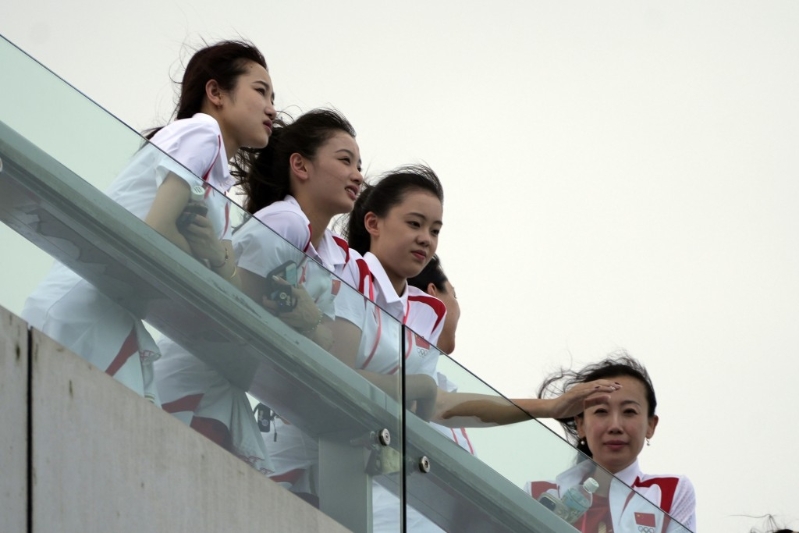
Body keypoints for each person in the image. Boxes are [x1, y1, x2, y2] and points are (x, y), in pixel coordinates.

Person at [22, 40, 276, 404]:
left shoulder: (214, 174)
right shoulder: (202, 133)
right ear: (216, 92)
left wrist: (210, 257)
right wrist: (205, 253)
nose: (272, 108)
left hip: (110, 311)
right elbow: (156, 230)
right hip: (86, 310)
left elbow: (210, 274)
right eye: (261, 91)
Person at [157, 109, 362, 478]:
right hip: (196, 379)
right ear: (301, 166)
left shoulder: (332, 254)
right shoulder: (286, 221)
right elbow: (235, 303)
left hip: (227, 388)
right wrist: (310, 326)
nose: (357, 175)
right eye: (345, 160)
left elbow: (328, 345)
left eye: (358, 165)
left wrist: (309, 322)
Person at [526, 353, 697, 533]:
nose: (615, 426)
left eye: (629, 411)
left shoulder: (670, 492)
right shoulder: (538, 493)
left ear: (651, 425)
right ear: (581, 425)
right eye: (601, 411)